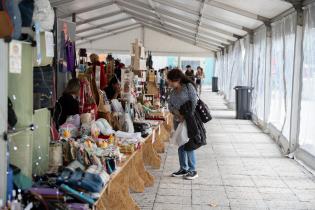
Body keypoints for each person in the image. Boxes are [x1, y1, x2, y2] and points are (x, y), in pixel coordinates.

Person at [167, 69, 199, 180]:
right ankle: (183, 168)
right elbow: (170, 106)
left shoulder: (188, 87)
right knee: (181, 144)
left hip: (189, 120)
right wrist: (177, 114)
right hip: (178, 121)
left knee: (189, 144)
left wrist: (186, 116)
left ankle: (192, 169)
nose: (169, 83)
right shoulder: (173, 92)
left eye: (171, 81)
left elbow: (195, 102)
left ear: (178, 79)